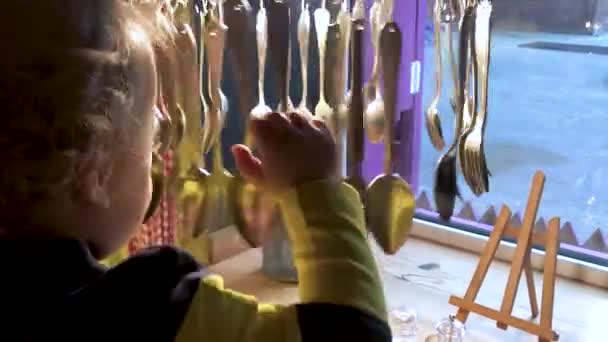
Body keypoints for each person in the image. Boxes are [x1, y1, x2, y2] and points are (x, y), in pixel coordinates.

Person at [0, 1, 390, 341]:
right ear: (94, 167)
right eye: (152, 140)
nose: (156, 159)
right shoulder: (144, 310)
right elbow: (354, 333)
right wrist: (314, 189)